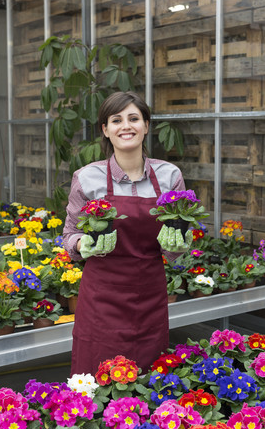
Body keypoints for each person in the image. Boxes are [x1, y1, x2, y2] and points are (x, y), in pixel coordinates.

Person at [63, 91, 190, 376]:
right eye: (116, 120)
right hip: (101, 297)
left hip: (150, 294)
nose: (126, 126)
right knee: (97, 379)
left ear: (146, 125)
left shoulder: (170, 176)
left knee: (150, 376)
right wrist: (84, 243)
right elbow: (68, 235)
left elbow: (175, 250)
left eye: (134, 118)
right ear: (106, 130)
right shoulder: (87, 178)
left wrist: (179, 243)